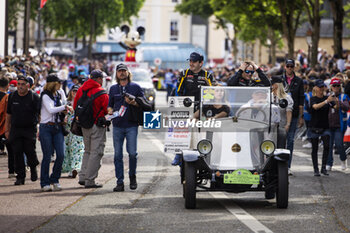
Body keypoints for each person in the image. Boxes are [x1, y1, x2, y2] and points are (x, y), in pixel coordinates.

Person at [172, 52, 216, 165]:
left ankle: (206, 154)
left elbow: (212, 95)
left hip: (203, 108)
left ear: (201, 63)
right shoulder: (184, 73)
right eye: (190, 61)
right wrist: (183, 107)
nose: (191, 63)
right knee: (180, 127)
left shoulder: (208, 75)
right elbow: (179, 91)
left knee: (205, 132)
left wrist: (207, 85)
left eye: (194, 61)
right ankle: (178, 153)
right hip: (186, 106)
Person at [108, 63, 145, 192]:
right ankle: (120, 182)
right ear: (117, 74)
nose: (122, 73)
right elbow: (110, 105)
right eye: (119, 71)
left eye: (124, 71)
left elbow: (145, 104)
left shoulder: (135, 87)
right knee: (117, 155)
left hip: (131, 125)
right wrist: (110, 111)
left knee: (133, 154)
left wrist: (134, 102)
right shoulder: (113, 89)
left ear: (128, 73)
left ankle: (132, 177)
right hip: (117, 126)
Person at [73, 69, 109, 189]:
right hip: (97, 125)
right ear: (98, 79)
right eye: (102, 78)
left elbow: (75, 106)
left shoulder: (81, 89)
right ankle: (90, 180)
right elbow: (106, 110)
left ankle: (82, 176)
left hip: (83, 125)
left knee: (87, 151)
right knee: (96, 152)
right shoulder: (101, 92)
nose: (102, 80)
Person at [5, 76, 40, 185]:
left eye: (22, 84)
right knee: (17, 153)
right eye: (18, 84)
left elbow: (40, 114)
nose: (20, 87)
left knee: (30, 151)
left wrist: (39, 128)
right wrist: (7, 130)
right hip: (16, 129)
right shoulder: (12, 97)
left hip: (30, 129)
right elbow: (8, 114)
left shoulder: (34, 97)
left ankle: (33, 167)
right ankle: (20, 177)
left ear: (28, 86)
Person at [39, 74, 70, 191]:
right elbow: (51, 110)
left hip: (57, 127)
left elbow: (64, 104)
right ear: (53, 83)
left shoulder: (58, 93)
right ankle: (45, 182)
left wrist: (63, 98)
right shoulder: (45, 96)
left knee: (61, 155)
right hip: (46, 127)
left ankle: (55, 178)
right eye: (58, 83)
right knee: (47, 156)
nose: (60, 85)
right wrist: (64, 107)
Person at [308, 79, 336, 176]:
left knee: (327, 146)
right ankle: (316, 169)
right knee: (314, 148)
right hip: (314, 126)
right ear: (315, 88)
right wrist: (326, 101)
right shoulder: (313, 98)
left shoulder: (327, 98)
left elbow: (335, 107)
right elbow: (315, 107)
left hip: (325, 126)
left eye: (322, 87)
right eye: (319, 87)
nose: (321, 89)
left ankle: (323, 167)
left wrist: (334, 98)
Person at [281, 59, 304, 175]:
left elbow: (301, 100)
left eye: (291, 66)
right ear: (285, 67)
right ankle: (278, 166)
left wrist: (301, 116)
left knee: (290, 140)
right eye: (288, 66)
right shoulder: (280, 79)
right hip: (280, 115)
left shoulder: (299, 81)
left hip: (294, 114)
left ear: (294, 67)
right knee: (280, 140)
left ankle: (287, 166)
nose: (290, 68)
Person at [326, 78, 350, 171]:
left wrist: (337, 101)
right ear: (331, 87)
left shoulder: (344, 96)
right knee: (328, 145)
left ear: (340, 87)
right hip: (328, 124)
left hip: (339, 125)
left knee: (339, 144)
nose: (335, 87)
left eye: (337, 86)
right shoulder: (327, 96)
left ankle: (343, 159)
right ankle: (329, 163)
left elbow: (347, 106)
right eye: (334, 86)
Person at [62, 85, 84, 178]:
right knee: (67, 149)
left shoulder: (82, 102)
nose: (75, 93)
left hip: (77, 129)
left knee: (77, 149)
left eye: (77, 91)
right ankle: (70, 169)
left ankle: (76, 168)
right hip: (67, 129)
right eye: (73, 91)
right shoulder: (66, 103)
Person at [271, 76, 294, 148]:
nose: (271, 86)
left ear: (276, 85)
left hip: (281, 125)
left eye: (272, 84)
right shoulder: (269, 96)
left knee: (280, 146)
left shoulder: (286, 98)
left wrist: (288, 124)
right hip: (270, 125)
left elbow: (289, 111)